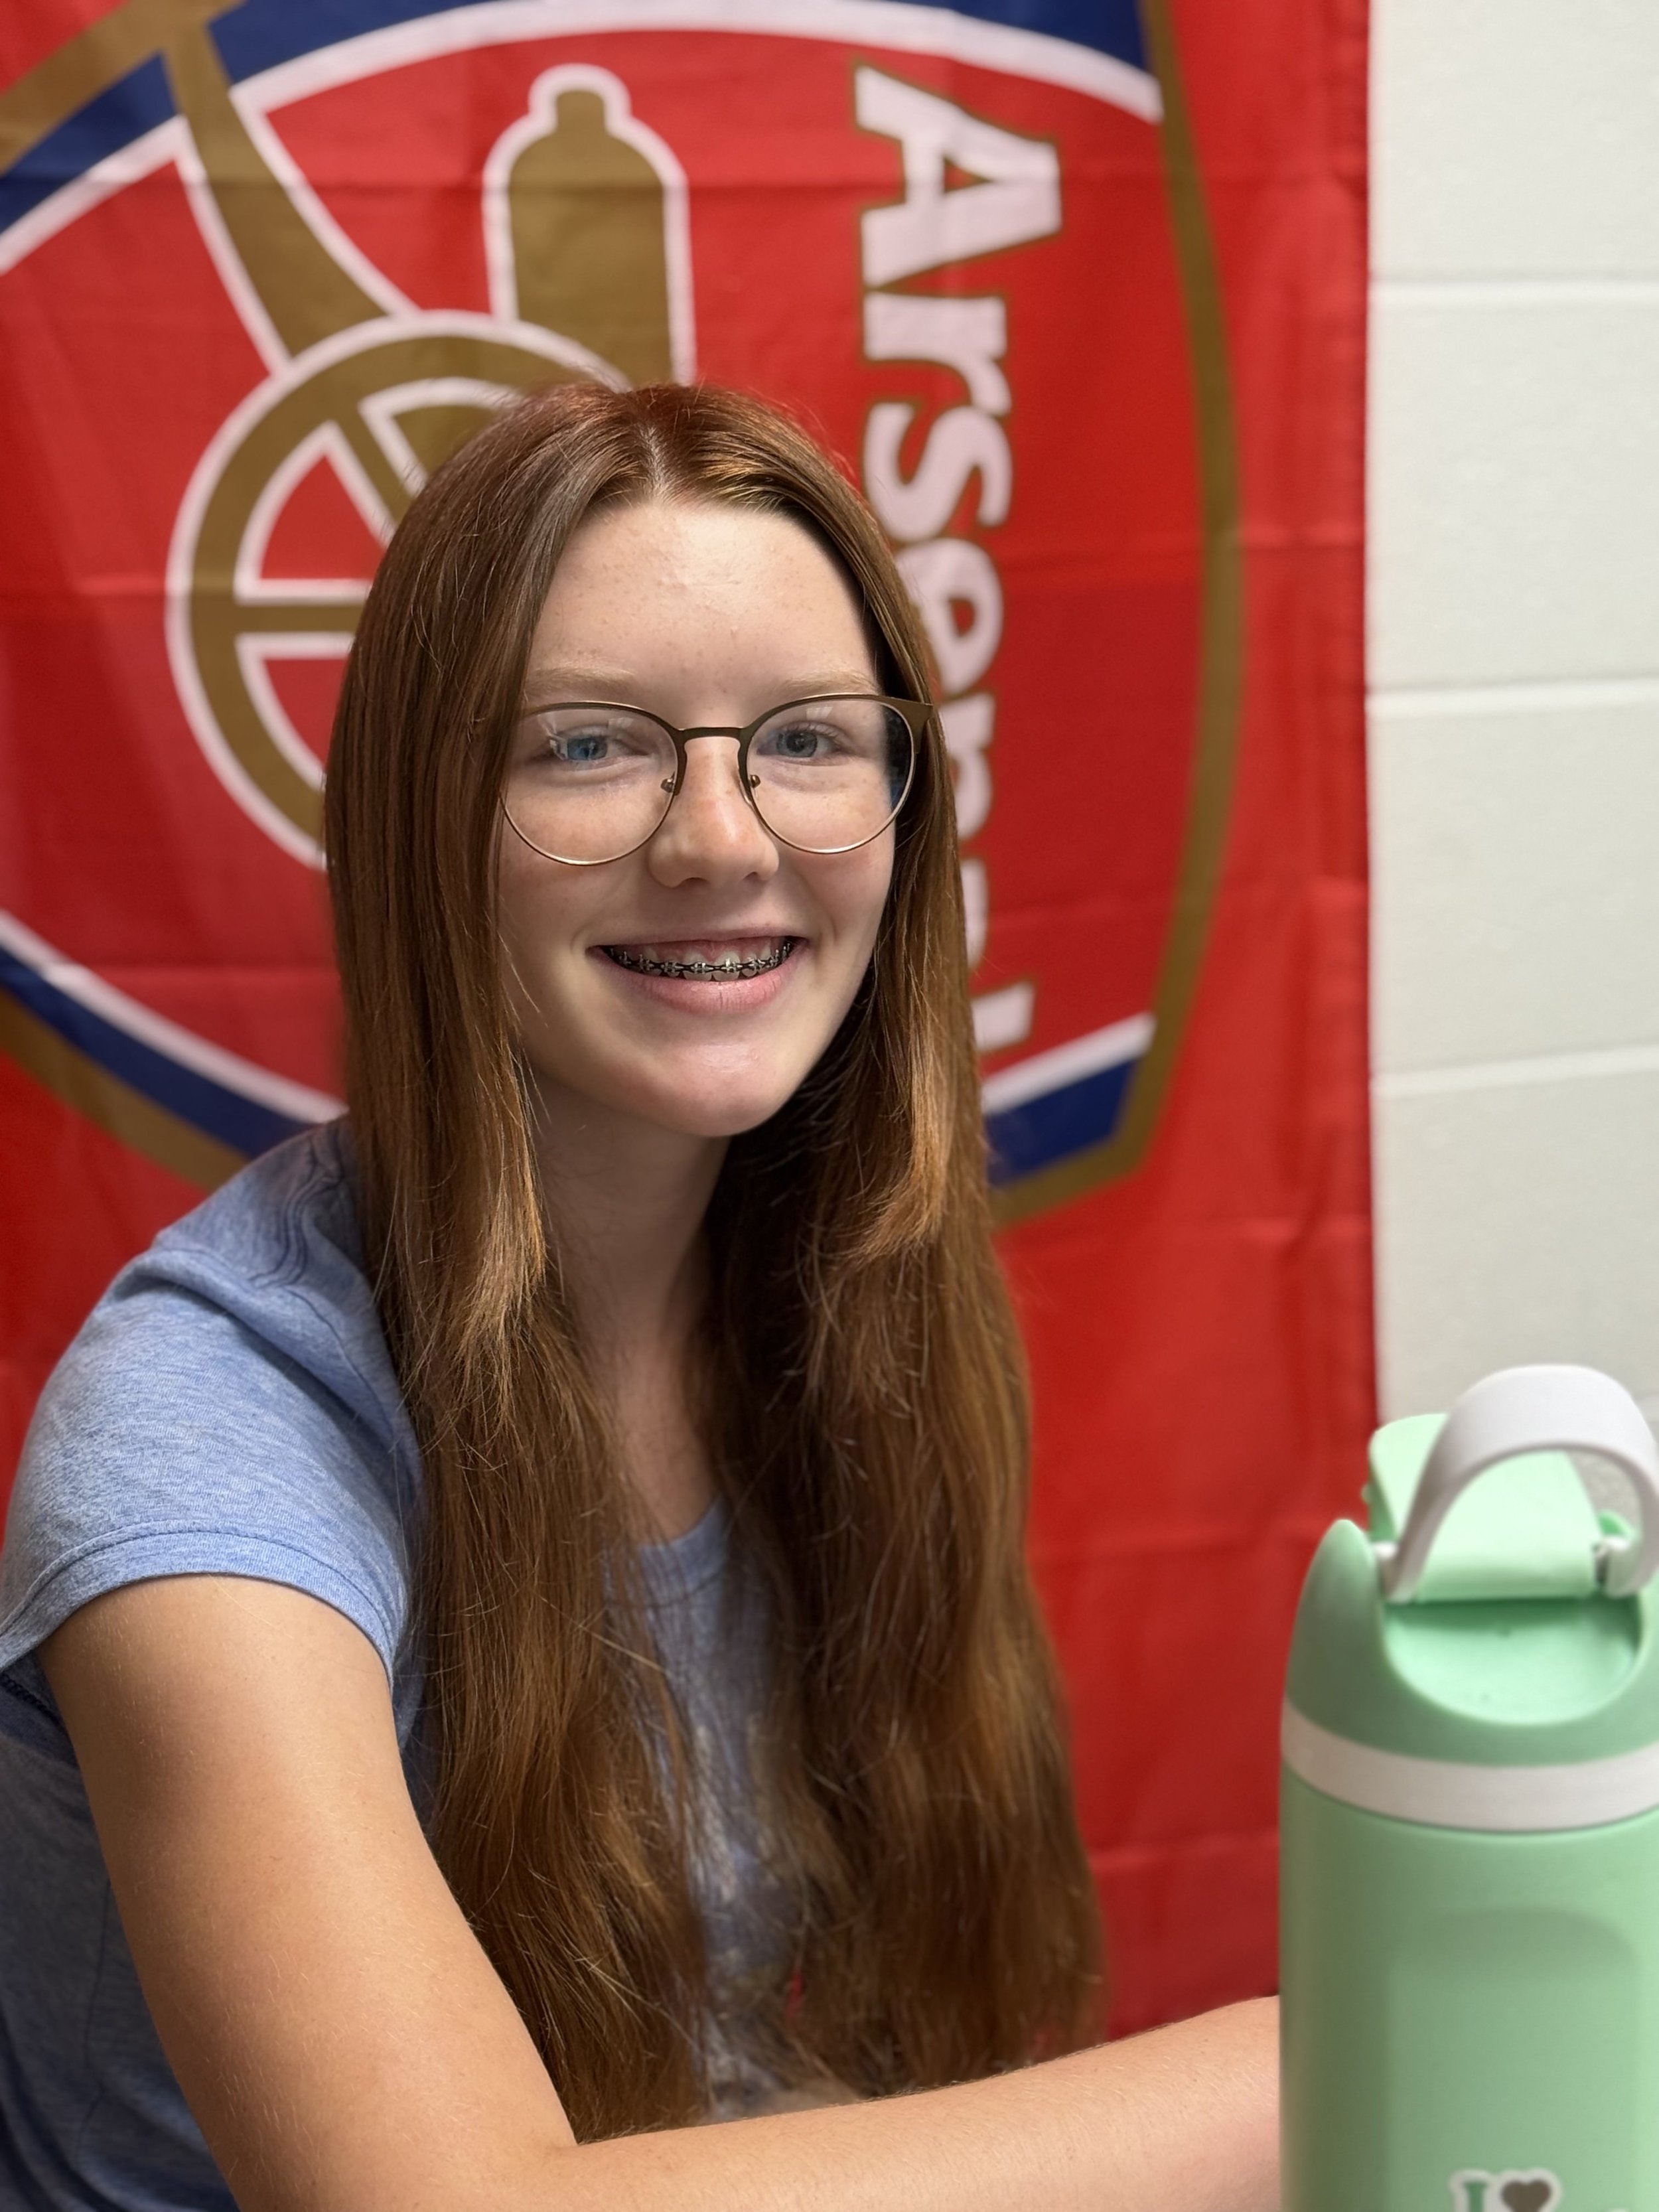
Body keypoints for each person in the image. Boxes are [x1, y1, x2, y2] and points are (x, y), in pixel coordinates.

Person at [0, 383, 1277, 2211]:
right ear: (424, 822)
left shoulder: (844, 1294)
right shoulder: (199, 1448)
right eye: (591, 748)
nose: (721, 837)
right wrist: (1330, 2066)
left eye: (808, 741)